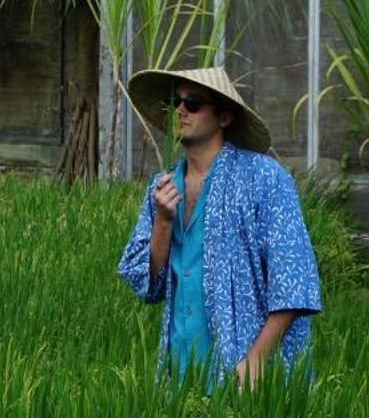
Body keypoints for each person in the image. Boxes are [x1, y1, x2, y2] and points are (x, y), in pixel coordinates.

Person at [116, 66, 322, 390]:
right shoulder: (162, 188)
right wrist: (163, 223)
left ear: (224, 117)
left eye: (193, 103)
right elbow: (148, 287)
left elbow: (293, 281)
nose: (180, 110)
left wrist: (253, 364)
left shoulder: (264, 179)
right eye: (174, 101)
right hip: (178, 376)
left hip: (244, 375)